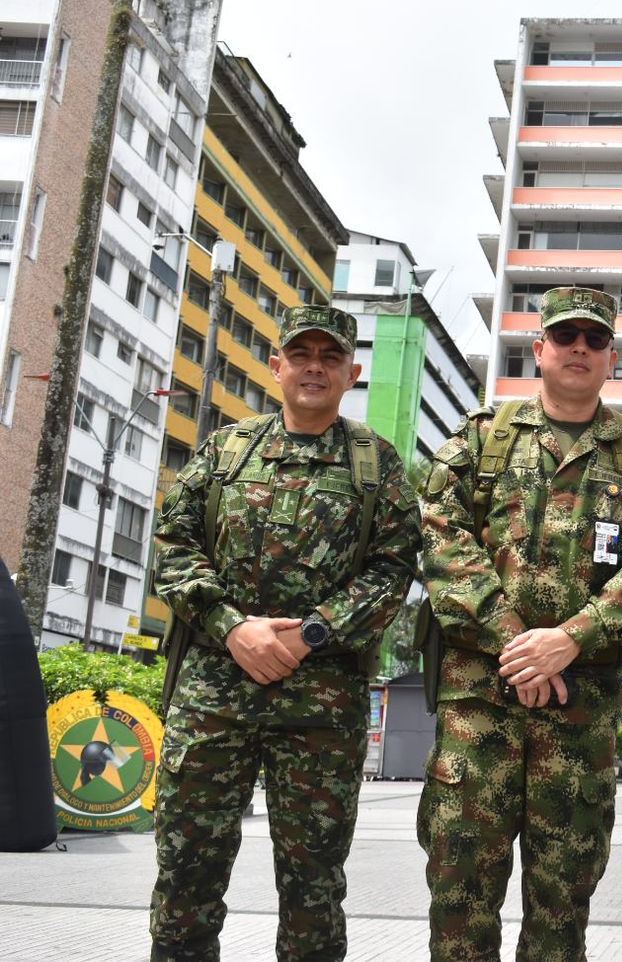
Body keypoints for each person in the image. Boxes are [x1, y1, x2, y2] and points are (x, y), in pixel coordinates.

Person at [417, 287, 622, 961]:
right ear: (539, 350)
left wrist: (570, 640)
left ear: (610, 358)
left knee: (563, 900)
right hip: (480, 704)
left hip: (579, 710)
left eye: (594, 341)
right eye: (566, 337)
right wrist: (518, 644)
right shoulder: (482, 440)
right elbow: (442, 544)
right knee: (460, 894)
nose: (579, 350)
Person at [149, 305, 422, 960]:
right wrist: (230, 626)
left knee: (313, 889)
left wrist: (314, 634)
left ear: (352, 373)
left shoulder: (376, 467)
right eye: (302, 355)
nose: (314, 368)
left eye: (330, 358)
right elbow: (172, 548)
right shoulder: (225, 452)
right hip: (214, 699)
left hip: (321, 709)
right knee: (186, 876)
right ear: (277, 366)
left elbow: (392, 570)